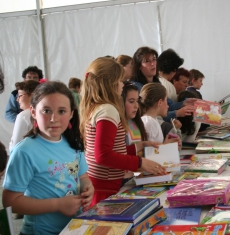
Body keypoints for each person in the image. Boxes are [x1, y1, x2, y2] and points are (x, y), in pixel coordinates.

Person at [2, 81, 94, 235]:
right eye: (46, 110)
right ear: (33, 112)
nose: (54, 118)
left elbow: (83, 176)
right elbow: (10, 202)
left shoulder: (73, 143)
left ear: (71, 114)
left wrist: (88, 189)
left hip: (73, 229)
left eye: (62, 111)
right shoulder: (24, 151)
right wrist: (58, 205)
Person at [79, 57, 166, 206]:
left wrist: (140, 146)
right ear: (110, 84)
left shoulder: (95, 107)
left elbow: (110, 150)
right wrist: (139, 162)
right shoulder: (108, 109)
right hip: (105, 186)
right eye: (120, 81)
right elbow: (103, 155)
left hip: (100, 183)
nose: (122, 85)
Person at [130, 46, 195, 122]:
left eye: (154, 59)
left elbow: (168, 104)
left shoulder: (157, 82)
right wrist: (177, 113)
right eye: (147, 61)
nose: (152, 63)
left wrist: (183, 103)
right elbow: (152, 115)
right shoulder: (136, 87)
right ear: (139, 66)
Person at [139, 83, 181, 147]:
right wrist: (166, 145)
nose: (168, 106)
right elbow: (150, 153)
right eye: (166, 100)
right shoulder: (150, 122)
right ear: (160, 102)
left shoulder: (153, 120)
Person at [9, 80, 40, 151]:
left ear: (32, 95)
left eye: (20, 95)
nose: (17, 99)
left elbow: (15, 145)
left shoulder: (24, 115)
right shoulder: (48, 112)